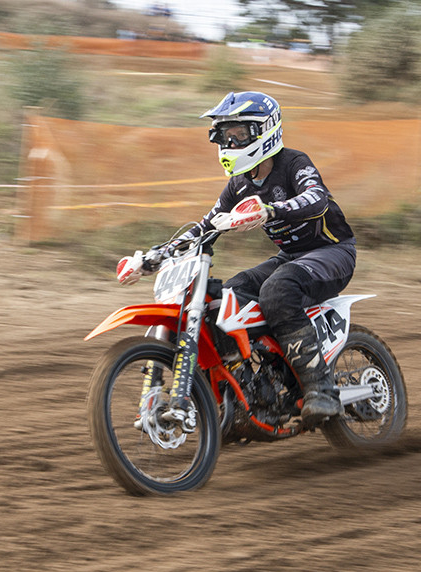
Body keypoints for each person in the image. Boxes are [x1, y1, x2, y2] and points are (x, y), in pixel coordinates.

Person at [118, 91, 357, 426]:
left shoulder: (293, 163)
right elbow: (204, 226)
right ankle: (250, 389)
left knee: (277, 290)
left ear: (265, 130)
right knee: (227, 296)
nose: (229, 142)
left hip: (332, 252)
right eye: (224, 134)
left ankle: (322, 389)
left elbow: (317, 199)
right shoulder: (239, 185)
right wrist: (153, 256)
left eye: (239, 134)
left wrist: (271, 208)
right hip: (290, 257)